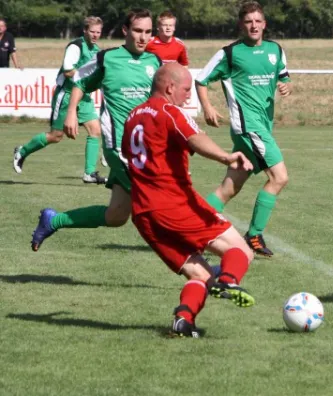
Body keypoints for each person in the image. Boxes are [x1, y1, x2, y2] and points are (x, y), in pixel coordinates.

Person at [123, 63, 256, 337]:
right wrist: (227, 157)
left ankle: (183, 321)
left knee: (201, 276)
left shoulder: (133, 116)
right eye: (185, 89)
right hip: (172, 204)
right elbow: (196, 138)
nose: (188, 95)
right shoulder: (169, 111)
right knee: (242, 252)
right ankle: (228, 282)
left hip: (143, 214)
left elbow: (132, 157)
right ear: (169, 87)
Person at [30, 9, 161, 251]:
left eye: (148, 32)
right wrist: (71, 112)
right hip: (118, 146)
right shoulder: (107, 58)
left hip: (144, 148)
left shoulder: (155, 62)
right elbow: (79, 80)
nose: (143, 37)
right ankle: (191, 250)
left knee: (116, 216)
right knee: (159, 194)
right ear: (125, 31)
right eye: (137, 31)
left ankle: (53, 220)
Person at [195, 1, 292, 257]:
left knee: (229, 188)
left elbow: (283, 75)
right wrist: (207, 108)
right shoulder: (229, 53)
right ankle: (254, 234)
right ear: (241, 25)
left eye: (258, 21)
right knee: (279, 177)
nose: (254, 26)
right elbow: (201, 79)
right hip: (248, 127)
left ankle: (190, 228)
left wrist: (285, 86)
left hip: (262, 127)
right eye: (248, 21)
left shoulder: (276, 50)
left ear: (264, 24)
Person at [13, 16, 106, 184]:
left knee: (95, 130)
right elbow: (68, 71)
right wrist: (87, 79)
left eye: (98, 32)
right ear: (85, 30)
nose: (95, 35)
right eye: (92, 31)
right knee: (56, 136)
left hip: (83, 96)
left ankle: (89, 173)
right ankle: (22, 151)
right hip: (67, 94)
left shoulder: (96, 50)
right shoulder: (75, 46)